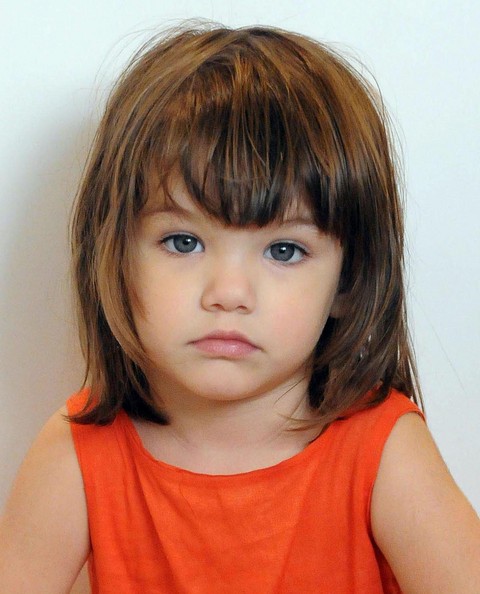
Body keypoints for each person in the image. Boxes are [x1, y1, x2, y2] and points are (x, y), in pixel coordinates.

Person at [0, 22, 479, 594]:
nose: (228, 293)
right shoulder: (79, 452)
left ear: (349, 281)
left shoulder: (384, 451)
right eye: (184, 242)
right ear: (115, 255)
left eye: (284, 250)